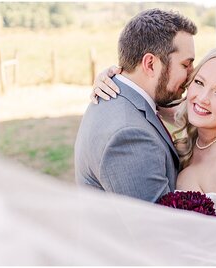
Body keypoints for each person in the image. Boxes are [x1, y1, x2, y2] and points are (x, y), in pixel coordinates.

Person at [92, 48, 216, 225]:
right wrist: (110, 77)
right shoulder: (198, 127)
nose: (202, 98)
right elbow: (141, 91)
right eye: (200, 82)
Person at [74, 9, 197, 202]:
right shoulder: (129, 136)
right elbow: (154, 227)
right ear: (150, 64)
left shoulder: (121, 96)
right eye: (185, 65)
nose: (192, 76)